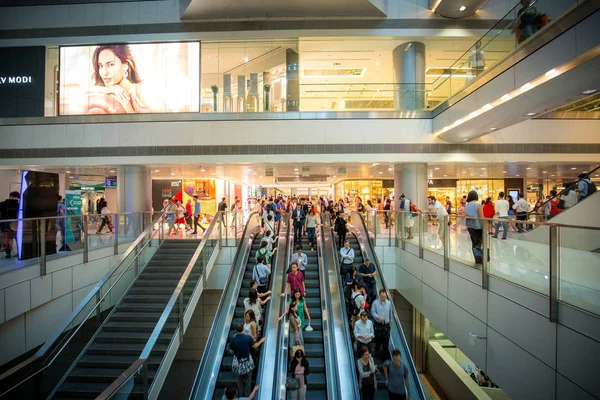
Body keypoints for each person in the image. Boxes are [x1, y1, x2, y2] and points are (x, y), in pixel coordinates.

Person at [88, 44, 164, 114]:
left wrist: (127, 106)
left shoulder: (141, 91)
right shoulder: (111, 94)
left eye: (111, 65)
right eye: (101, 66)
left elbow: (167, 122)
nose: (104, 72)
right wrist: (106, 90)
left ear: (125, 66)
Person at [228, 324, 266, 397]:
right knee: (248, 379)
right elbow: (255, 346)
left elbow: (231, 351)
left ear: (236, 330)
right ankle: (247, 396)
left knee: (239, 380)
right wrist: (261, 341)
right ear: (243, 329)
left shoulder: (234, 338)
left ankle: (240, 395)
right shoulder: (248, 338)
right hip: (247, 363)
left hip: (238, 364)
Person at [371, 289, 393, 360]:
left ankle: (384, 357)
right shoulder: (375, 303)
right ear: (379, 295)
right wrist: (378, 317)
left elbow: (390, 313)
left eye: (385, 296)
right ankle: (376, 353)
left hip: (386, 325)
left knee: (386, 342)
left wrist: (390, 322)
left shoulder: (389, 303)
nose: (383, 297)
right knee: (378, 340)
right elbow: (373, 312)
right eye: (382, 296)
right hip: (378, 324)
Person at [465, 191, 485, 264]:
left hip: (470, 226)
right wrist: (484, 227)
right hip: (478, 227)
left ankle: (477, 258)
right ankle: (479, 258)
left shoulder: (467, 205)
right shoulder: (478, 205)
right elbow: (481, 217)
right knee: (479, 242)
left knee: (474, 242)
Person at [0, 191, 19, 259]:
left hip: (4, 224)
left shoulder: (2, 204)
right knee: (15, 237)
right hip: (15, 224)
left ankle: (8, 253)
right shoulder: (18, 205)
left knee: (5, 238)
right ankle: (17, 252)